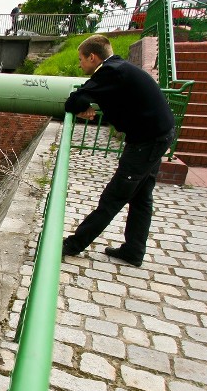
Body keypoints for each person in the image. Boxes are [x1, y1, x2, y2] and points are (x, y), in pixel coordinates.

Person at [61, 34, 175, 267]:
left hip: (146, 142)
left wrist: (83, 106)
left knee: (113, 197)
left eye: (81, 59)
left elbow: (74, 99)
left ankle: (73, 245)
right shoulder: (120, 67)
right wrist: (85, 104)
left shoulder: (110, 72)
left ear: (93, 57)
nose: (80, 64)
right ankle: (133, 250)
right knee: (142, 197)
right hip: (158, 135)